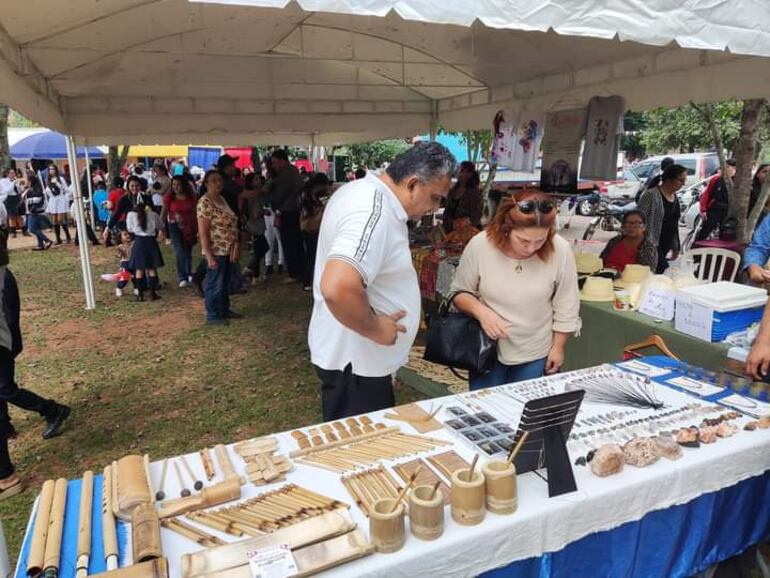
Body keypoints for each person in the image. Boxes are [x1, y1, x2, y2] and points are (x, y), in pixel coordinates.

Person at [309, 142, 456, 420]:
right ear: (413, 184)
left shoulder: (365, 195)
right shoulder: (372, 210)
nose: (435, 207)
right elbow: (338, 286)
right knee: (358, 451)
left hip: (359, 363)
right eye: (435, 198)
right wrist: (375, 327)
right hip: (357, 364)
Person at [452, 192, 580, 390]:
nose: (531, 248)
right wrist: (482, 313)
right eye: (523, 240)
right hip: (486, 348)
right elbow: (459, 293)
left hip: (536, 349)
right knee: (487, 410)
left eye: (540, 241)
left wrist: (558, 347)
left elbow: (567, 303)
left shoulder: (560, 249)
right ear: (506, 228)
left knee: (523, 410)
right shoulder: (480, 245)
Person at [0, 228, 70, 497]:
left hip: (2, 344)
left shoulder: (5, 275)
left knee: (4, 389)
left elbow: (10, 315)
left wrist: (13, 343)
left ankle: (51, 409)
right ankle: (7, 428)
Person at [197, 170, 241, 325]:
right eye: (214, 181)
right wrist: (208, 255)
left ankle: (223, 309)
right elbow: (203, 232)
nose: (218, 183)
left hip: (228, 249)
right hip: (216, 250)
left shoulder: (221, 199)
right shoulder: (205, 202)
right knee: (215, 283)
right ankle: (213, 314)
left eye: (220, 180)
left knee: (224, 282)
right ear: (207, 184)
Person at [638, 163, 686, 274]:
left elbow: (674, 224)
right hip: (650, 244)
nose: (683, 184)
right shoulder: (651, 195)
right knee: (662, 271)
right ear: (669, 179)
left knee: (658, 274)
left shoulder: (675, 197)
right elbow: (638, 218)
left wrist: (676, 246)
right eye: (681, 180)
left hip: (665, 244)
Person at [265, 149, 305, 283]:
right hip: (292, 210)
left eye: (275, 162)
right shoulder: (293, 170)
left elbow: (280, 194)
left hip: (288, 211)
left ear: (283, 160)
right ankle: (299, 270)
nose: (274, 165)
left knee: (289, 242)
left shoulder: (286, 173)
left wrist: (274, 204)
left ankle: (294, 272)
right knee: (295, 242)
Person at [161, 176, 198, 287]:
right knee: (179, 250)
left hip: (189, 226)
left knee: (188, 250)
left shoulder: (191, 196)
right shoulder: (169, 197)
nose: (176, 187)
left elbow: (196, 211)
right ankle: (182, 276)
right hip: (174, 226)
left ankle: (188, 272)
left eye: (178, 184)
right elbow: (163, 213)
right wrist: (160, 228)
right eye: (174, 185)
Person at [126, 200, 164, 302]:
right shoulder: (153, 214)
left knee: (139, 269)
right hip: (151, 241)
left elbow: (129, 229)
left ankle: (140, 295)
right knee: (151, 268)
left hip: (139, 241)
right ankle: (152, 293)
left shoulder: (131, 215)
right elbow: (161, 226)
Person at [299, 173, 330, 290]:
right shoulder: (306, 195)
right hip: (309, 228)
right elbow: (307, 213)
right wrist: (321, 209)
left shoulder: (312, 194)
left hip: (314, 228)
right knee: (311, 255)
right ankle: (306, 281)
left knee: (314, 255)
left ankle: (311, 279)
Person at [696, 159, 736, 241]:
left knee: (725, 235)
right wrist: (703, 210)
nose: (725, 169)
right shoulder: (716, 179)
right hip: (714, 210)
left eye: (728, 167)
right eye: (723, 167)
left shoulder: (738, 181)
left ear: (734, 168)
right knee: (704, 232)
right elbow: (706, 195)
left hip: (729, 212)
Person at [443, 161, 483, 233]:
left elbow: (476, 217)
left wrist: (461, 224)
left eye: (461, 171)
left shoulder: (474, 193)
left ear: (469, 174)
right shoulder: (452, 191)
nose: (458, 173)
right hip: (450, 233)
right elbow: (446, 212)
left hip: (468, 234)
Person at [23, 173, 52, 251]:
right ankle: (40, 245)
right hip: (33, 211)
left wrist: (32, 210)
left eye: (26, 179)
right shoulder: (31, 188)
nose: (24, 180)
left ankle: (47, 240)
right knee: (36, 228)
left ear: (30, 181)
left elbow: (38, 200)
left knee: (32, 229)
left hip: (35, 212)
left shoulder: (35, 189)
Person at [44, 165, 72, 245]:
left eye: (53, 169)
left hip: (60, 199)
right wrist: (46, 192)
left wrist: (57, 184)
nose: (51, 171)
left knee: (60, 219)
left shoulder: (61, 179)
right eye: (50, 169)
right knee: (55, 220)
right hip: (53, 200)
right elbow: (48, 190)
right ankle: (58, 238)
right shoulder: (48, 180)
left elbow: (66, 190)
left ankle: (68, 236)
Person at [114, 230, 134, 298]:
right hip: (125, 263)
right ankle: (119, 288)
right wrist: (120, 252)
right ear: (121, 238)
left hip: (133, 262)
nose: (128, 236)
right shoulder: (120, 247)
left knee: (135, 277)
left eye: (128, 234)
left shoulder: (133, 244)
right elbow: (118, 255)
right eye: (125, 234)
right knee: (125, 277)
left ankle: (137, 288)